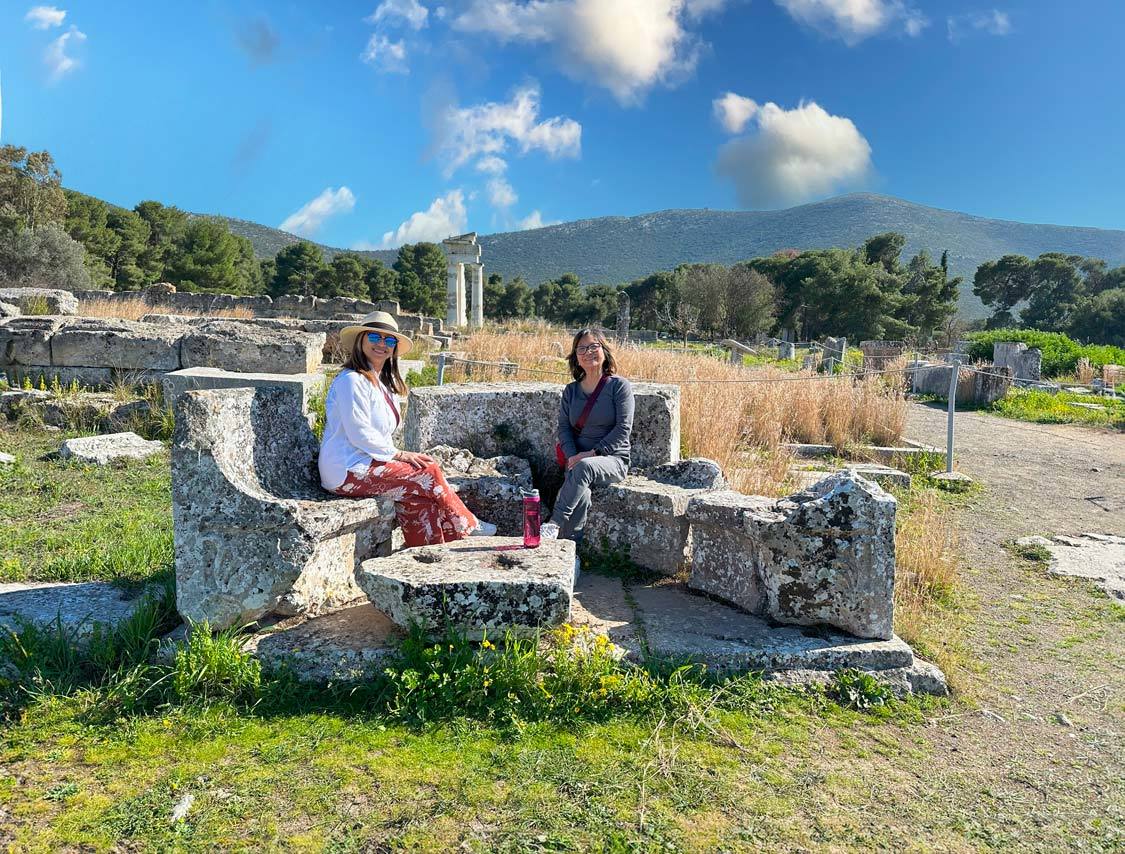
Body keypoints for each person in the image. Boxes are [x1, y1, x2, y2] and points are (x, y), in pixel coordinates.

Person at [318, 311, 496, 546]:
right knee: (427, 471)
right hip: (346, 469)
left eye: (389, 340)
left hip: (366, 463)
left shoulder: (380, 384)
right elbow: (359, 433)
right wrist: (400, 455)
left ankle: (427, 554)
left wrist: (399, 458)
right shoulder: (351, 380)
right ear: (360, 340)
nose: (382, 344)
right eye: (374, 337)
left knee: (419, 499)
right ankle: (466, 525)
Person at [542, 327, 634, 542]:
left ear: (604, 350)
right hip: (578, 460)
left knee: (583, 468)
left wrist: (591, 454)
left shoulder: (619, 386)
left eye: (594, 346)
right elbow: (564, 428)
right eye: (581, 348)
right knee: (580, 495)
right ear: (575, 357)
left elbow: (623, 429)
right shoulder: (571, 391)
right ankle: (570, 550)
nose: (588, 352)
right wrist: (573, 456)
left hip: (612, 459)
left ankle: (553, 524)